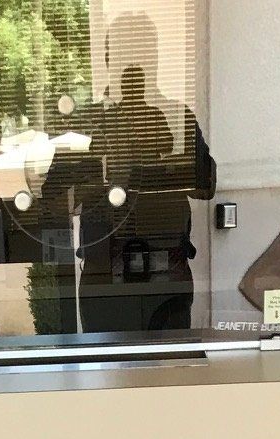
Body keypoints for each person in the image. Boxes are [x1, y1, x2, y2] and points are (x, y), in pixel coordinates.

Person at [38, 12, 214, 333]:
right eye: (126, 54)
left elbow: (206, 187)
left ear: (155, 59)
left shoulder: (175, 117)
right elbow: (53, 202)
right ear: (109, 60)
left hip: (166, 275)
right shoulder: (88, 123)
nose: (136, 64)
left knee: (171, 365)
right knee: (109, 363)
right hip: (105, 278)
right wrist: (101, 178)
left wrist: (155, 168)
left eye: (143, 53)